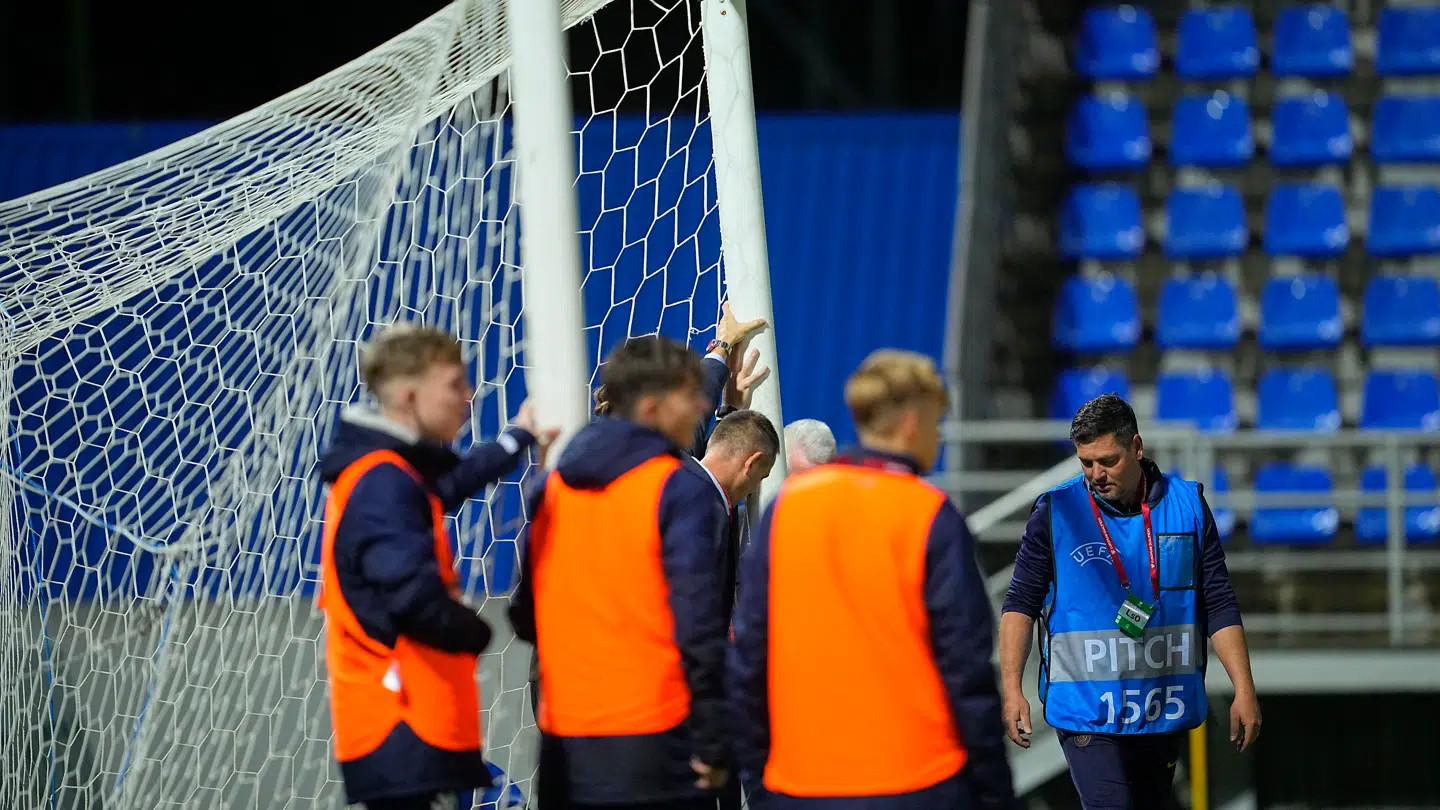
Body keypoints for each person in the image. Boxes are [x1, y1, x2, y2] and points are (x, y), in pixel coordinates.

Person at [729, 349, 1016, 810]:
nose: (939, 437)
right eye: (936, 422)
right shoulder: (928, 515)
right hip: (914, 780)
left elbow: (749, 661)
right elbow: (965, 673)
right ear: (910, 422)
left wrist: (761, 782)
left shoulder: (787, 511)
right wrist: (995, 793)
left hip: (799, 782)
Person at [316, 323, 557, 810]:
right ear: (408, 396)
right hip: (404, 727)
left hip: (410, 732)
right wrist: (477, 633)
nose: (469, 397)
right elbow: (410, 598)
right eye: (454, 385)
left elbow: (448, 486)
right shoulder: (384, 482)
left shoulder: (389, 472)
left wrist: (515, 441)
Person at [999, 393, 1261, 810]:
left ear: (1137, 447)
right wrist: (1012, 689)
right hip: (1087, 711)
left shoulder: (1188, 507)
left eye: (1108, 461)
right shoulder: (1056, 511)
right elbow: (1020, 604)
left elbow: (1219, 602)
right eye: (1086, 463)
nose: (1096, 474)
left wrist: (1243, 689)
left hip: (1160, 705)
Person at [510, 335, 732, 810]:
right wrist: (714, 739)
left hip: (564, 736)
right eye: (690, 395)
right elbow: (697, 624)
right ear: (652, 407)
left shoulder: (554, 486)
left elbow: (525, 614)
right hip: (652, 736)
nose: (700, 406)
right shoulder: (677, 488)